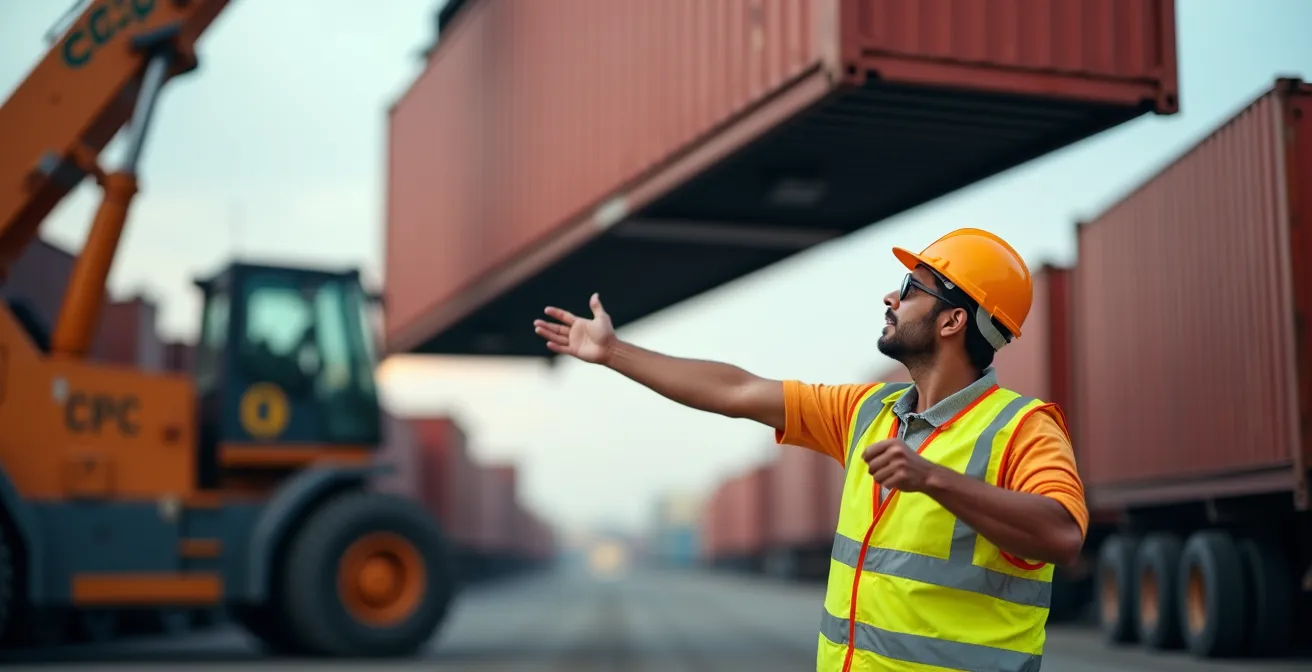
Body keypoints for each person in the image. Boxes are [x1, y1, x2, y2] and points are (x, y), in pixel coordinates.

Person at [533, 227, 1087, 672]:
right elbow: (738, 391)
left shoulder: (1022, 429)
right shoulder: (868, 413)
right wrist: (613, 352)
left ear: (952, 320)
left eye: (911, 287)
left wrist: (934, 479)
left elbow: (1061, 536)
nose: (891, 297)